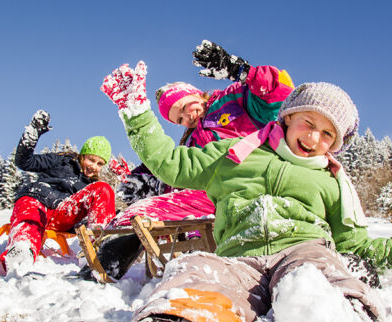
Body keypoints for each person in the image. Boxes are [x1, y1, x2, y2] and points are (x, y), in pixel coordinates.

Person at [59, 65, 392, 322]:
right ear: (289, 117)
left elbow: (357, 245)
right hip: (240, 255)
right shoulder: (237, 154)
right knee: (199, 271)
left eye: (328, 134)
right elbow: (170, 163)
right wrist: (136, 111)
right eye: (308, 123)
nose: (314, 138)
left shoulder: (331, 179)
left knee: (320, 274)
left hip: (303, 248)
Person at [79, 40, 295, 282]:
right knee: (142, 211)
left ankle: (101, 269)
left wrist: (240, 71)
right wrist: (142, 178)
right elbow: (180, 168)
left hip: (248, 187)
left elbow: (280, 97)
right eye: (179, 119)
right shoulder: (190, 141)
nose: (186, 117)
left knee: (148, 211)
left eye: (183, 107)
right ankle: (99, 267)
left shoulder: (233, 100)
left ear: (194, 92)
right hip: (208, 196)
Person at [0, 110, 116, 276]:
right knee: (30, 217)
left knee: (103, 188)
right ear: (82, 155)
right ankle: (22, 250)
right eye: (91, 159)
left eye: (99, 164)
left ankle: (96, 251)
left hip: (63, 213)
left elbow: (94, 213)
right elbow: (24, 162)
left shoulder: (91, 185)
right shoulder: (62, 160)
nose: (94, 166)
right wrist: (33, 134)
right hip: (37, 201)